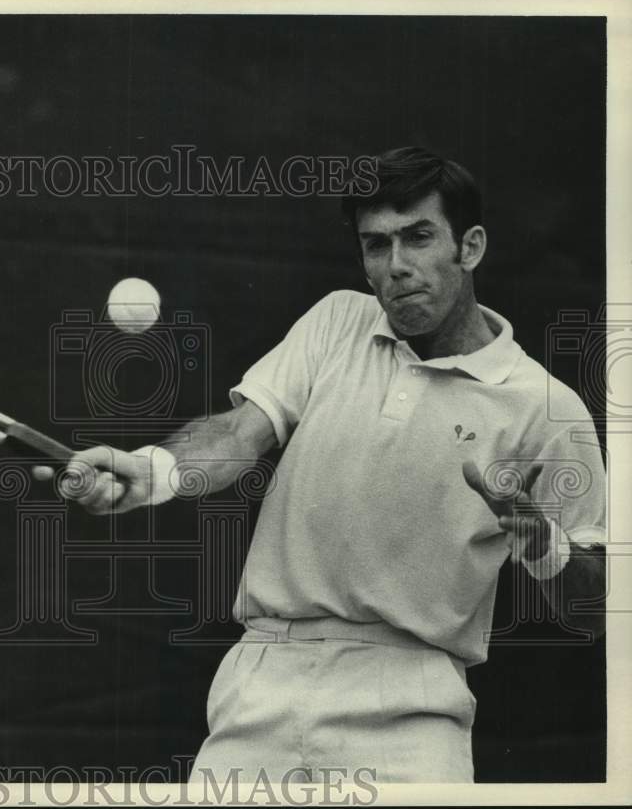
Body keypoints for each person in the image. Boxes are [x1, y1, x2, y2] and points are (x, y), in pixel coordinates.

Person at [33, 146, 607, 784]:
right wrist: (154, 470)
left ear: (469, 248)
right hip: (261, 685)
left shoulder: (547, 408)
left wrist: (542, 542)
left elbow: (596, 610)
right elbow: (240, 433)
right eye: (375, 246)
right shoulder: (335, 322)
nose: (396, 267)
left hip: (413, 712)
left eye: (418, 238)